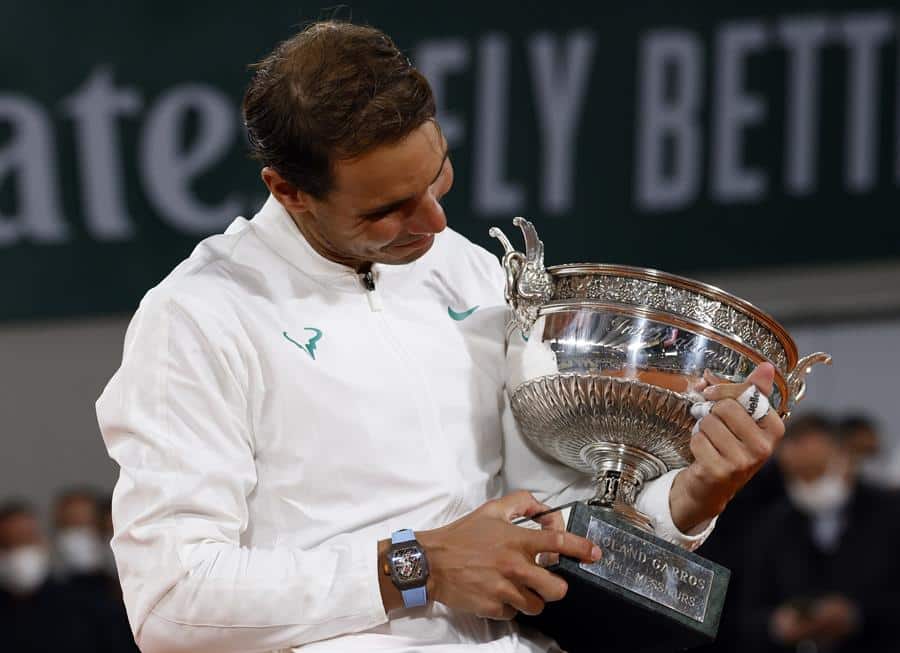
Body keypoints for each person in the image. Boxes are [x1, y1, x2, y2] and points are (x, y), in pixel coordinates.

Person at [96, 20, 786, 653]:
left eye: (439, 175)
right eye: (388, 209)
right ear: (289, 191)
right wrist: (414, 566)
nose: (433, 221)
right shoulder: (198, 317)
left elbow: (552, 513)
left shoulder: (469, 270)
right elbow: (171, 598)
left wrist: (689, 495)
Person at [740, 414, 900, 653]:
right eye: (797, 475)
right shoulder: (772, 525)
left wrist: (856, 615)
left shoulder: (890, 515)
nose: (806, 483)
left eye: (816, 471)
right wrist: (777, 624)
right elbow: (746, 611)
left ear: (845, 459)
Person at [0, 500, 128, 652]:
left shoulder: (89, 606)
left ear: (43, 542)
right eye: (7, 544)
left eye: (26, 540)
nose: (18, 551)